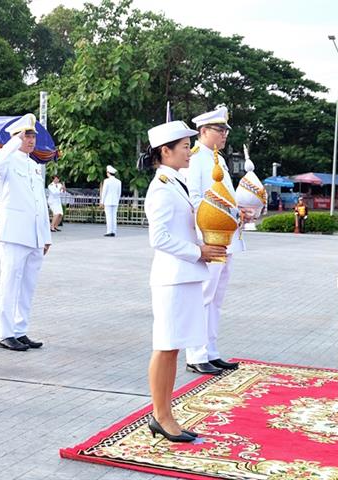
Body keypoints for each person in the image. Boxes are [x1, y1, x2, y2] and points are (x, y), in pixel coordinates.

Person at [140, 120, 226, 442]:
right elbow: (158, 238)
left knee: (172, 348)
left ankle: (164, 413)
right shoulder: (161, 188)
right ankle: (161, 415)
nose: (189, 152)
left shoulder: (177, 182)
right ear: (166, 151)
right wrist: (198, 252)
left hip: (184, 277)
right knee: (165, 347)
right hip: (172, 278)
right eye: (184, 147)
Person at [183, 106, 248, 375]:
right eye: (219, 130)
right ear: (203, 131)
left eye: (225, 130)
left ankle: (210, 350)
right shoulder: (196, 158)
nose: (224, 135)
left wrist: (237, 212)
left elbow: (225, 198)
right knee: (204, 296)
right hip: (209, 236)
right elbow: (195, 199)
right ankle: (195, 353)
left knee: (217, 297)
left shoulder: (218, 159)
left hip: (226, 236)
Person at [0, 113, 51, 351]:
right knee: (10, 283)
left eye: (33, 135)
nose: (31, 139)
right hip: (14, 234)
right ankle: (4, 333)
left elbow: (39, 202)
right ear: (16, 136)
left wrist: (45, 235)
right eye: (27, 135)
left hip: (34, 235)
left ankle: (19, 329)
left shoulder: (34, 166)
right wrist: (14, 141)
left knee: (27, 285)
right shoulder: (6, 160)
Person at [100, 165, 121, 237]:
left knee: (108, 216)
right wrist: (117, 201)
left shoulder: (106, 181)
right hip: (115, 201)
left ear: (108, 173)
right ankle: (114, 231)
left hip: (108, 201)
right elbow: (119, 193)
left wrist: (102, 202)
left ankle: (109, 231)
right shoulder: (118, 182)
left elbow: (104, 192)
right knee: (114, 217)